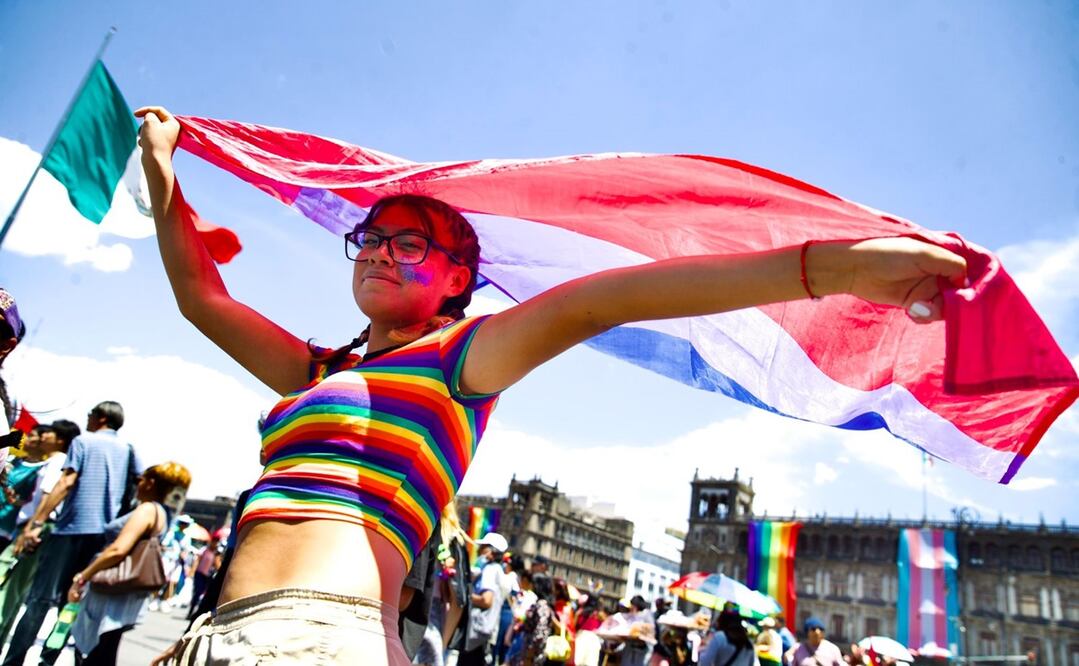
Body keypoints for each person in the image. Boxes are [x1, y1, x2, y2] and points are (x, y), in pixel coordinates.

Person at [134, 105, 967, 664]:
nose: (383, 250)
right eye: (373, 236)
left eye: (413, 242)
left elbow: (613, 297)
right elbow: (200, 299)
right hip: (218, 631)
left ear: (459, 278)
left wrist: (832, 270)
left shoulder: (460, 362)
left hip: (317, 636)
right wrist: (161, 165)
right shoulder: (322, 372)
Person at [4, 401, 142, 666]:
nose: (88, 419)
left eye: (91, 415)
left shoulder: (83, 442)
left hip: (70, 530)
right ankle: (48, 660)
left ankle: (14, 661)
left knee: (40, 599)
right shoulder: (128, 450)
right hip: (101, 535)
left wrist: (37, 522)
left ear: (101, 418)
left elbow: (66, 481)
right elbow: (136, 486)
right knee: (70, 604)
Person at [67, 462, 192, 665]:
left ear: (151, 483)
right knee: (106, 646)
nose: (138, 484)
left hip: (112, 587)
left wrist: (83, 576)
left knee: (96, 648)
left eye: (140, 480)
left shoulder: (147, 510)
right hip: (128, 590)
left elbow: (118, 549)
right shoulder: (164, 513)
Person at [0, 419, 78, 644]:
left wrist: (32, 527)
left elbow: (47, 498)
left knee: (8, 588)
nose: (43, 436)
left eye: (50, 434)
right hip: (33, 527)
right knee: (15, 592)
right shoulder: (52, 462)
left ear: (60, 440)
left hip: (33, 528)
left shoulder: (58, 461)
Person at [461, 532, 509, 665]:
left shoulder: (490, 570)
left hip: (477, 632)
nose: (479, 550)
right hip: (486, 632)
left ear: (490, 551)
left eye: (482, 547)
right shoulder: (499, 570)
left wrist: (465, 595)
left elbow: (486, 601)